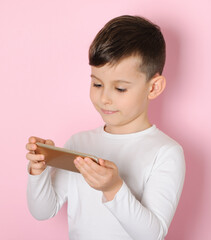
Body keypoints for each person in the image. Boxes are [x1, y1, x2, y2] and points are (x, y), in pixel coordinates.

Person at [25, 15, 185, 240]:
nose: (104, 98)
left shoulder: (166, 153)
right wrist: (38, 171)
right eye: (97, 84)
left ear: (153, 87)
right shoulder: (79, 143)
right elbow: (43, 211)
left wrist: (113, 188)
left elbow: (152, 234)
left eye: (120, 89)